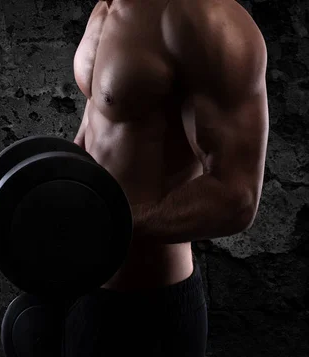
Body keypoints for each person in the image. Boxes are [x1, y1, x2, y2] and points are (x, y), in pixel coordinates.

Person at [65, 0, 268, 356]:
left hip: (149, 311)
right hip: (76, 291)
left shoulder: (209, 20)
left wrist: (111, 223)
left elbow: (237, 198)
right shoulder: (105, 6)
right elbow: (99, 122)